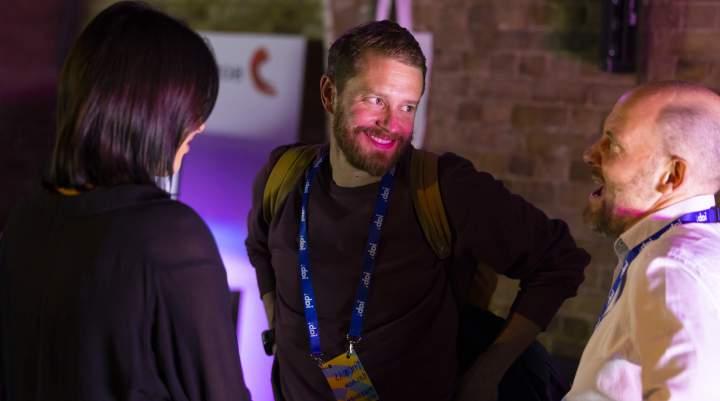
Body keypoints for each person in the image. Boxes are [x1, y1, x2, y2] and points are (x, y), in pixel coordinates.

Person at [245, 20, 590, 401]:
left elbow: (557, 260)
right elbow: (260, 246)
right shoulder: (284, 177)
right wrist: (276, 317)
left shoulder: (443, 189)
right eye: (375, 100)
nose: (392, 125)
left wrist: (488, 371)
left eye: (407, 106)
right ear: (330, 94)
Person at [0, 2, 251, 401]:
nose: (199, 125)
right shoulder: (169, 238)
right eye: (191, 106)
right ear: (150, 112)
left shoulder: (24, 222)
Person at [566, 81, 720, 401]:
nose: (590, 154)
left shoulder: (670, 267)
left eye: (612, 144)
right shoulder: (683, 253)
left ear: (671, 176)